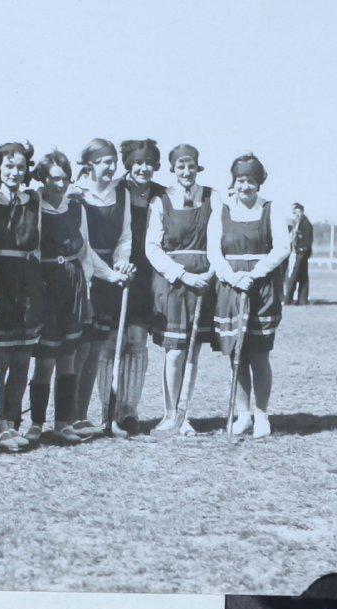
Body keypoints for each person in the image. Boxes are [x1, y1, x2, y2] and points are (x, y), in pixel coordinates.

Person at [27, 150, 126, 443]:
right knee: (45, 360)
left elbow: (85, 251)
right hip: (45, 284)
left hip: (73, 285)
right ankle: (36, 424)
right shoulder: (34, 205)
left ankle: (63, 423)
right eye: (54, 179)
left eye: (65, 179)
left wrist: (106, 277)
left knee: (68, 357)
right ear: (43, 179)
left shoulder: (75, 207)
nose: (60, 185)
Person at [208, 153, 289, 438]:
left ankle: (262, 415)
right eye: (240, 180)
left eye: (251, 181)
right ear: (233, 182)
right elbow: (213, 251)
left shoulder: (270, 209)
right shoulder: (221, 211)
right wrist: (232, 277)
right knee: (237, 354)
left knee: (258, 354)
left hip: (261, 287)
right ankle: (243, 415)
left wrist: (253, 275)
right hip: (230, 286)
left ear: (259, 183)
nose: (245, 186)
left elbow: (282, 248)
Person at [146, 144, 218, 435]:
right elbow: (152, 247)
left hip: (204, 281)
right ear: (173, 169)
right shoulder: (160, 201)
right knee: (175, 352)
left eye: (191, 166)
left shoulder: (212, 198)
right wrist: (182, 275)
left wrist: (210, 273)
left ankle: (184, 415)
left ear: (198, 167)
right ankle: (170, 414)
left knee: (192, 353)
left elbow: (219, 240)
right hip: (174, 283)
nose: (187, 171)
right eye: (181, 166)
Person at [0, 141, 43, 451]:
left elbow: (37, 246)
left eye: (20, 167)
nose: (15, 172)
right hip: (0, 281)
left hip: (28, 283)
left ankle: (13, 424)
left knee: (22, 359)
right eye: (9, 166)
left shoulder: (34, 201)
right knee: (0, 360)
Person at [74, 139, 135, 436]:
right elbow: (82, 244)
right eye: (105, 162)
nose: (111, 167)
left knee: (96, 349)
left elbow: (125, 235)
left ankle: (88, 416)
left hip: (110, 276)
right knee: (80, 349)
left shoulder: (121, 194)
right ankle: (70, 417)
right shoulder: (77, 194)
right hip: (84, 273)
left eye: (114, 161)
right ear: (90, 165)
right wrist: (108, 273)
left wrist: (121, 264)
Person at [114, 139, 166, 434]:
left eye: (148, 163)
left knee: (136, 341)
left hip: (147, 277)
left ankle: (129, 410)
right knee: (111, 343)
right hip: (114, 273)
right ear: (128, 164)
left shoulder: (162, 195)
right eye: (137, 163)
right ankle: (109, 407)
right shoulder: (113, 190)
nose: (143, 168)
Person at [284, 202, 313, 305]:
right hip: (301, 252)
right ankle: (302, 300)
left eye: (299, 212)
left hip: (302, 252)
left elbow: (307, 239)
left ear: (302, 212)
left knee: (294, 275)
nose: (297, 214)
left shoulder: (305, 223)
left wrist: (302, 249)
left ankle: (288, 299)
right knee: (303, 276)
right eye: (295, 213)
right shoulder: (299, 222)